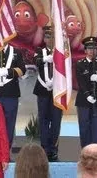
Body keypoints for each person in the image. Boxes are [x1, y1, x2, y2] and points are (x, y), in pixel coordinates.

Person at [33, 30, 62, 161]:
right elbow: (36, 61)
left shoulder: (60, 52)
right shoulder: (39, 51)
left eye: (51, 36)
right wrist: (45, 58)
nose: (49, 39)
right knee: (43, 120)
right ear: (44, 39)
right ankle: (44, 148)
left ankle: (54, 149)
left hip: (57, 90)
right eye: (47, 36)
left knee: (56, 121)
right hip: (43, 89)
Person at [75, 36, 97, 148]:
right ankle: (85, 151)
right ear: (85, 50)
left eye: (94, 48)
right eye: (89, 48)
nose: (92, 51)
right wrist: (87, 95)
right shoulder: (80, 64)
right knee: (84, 127)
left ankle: (96, 151)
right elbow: (81, 82)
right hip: (83, 100)